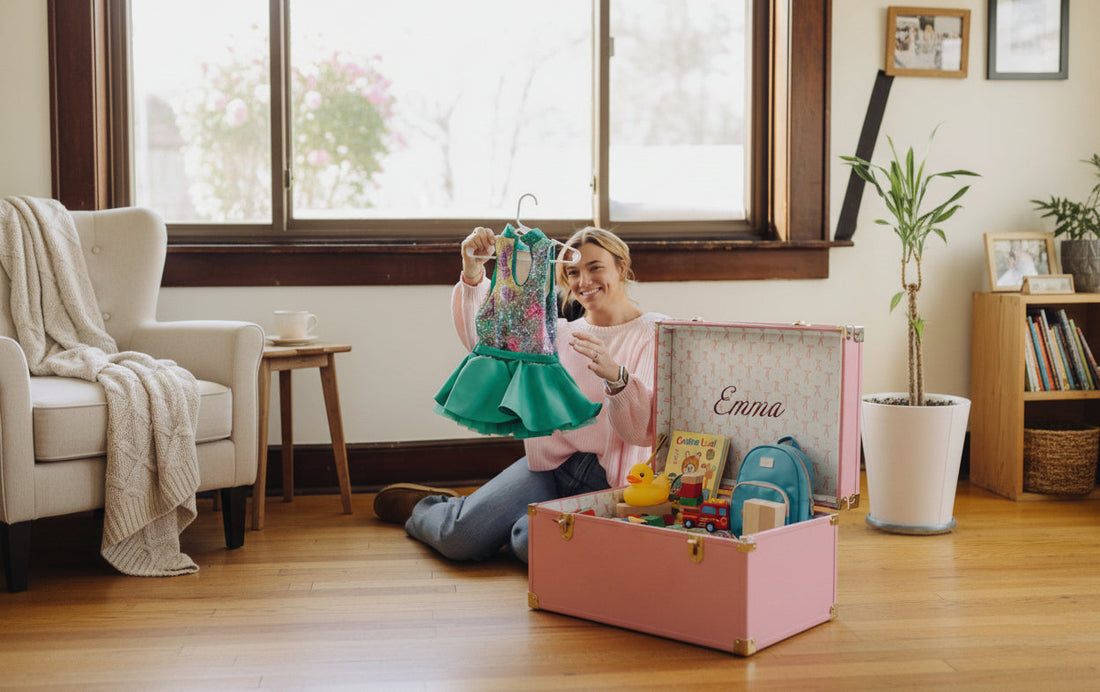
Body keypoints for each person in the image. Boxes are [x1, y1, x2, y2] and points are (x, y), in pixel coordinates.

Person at [372, 226, 667, 563]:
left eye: (596, 266)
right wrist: (472, 272)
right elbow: (486, 348)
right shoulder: (556, 332)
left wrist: (618, 379)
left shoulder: (655, 332)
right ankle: (439, 509)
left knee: (532, 545)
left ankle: (491, 518)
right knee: (458, 539)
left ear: (621, 265)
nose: (584, 280)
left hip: (609, 482)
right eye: (573, 271)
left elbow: (640, 433)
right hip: (550, 466)